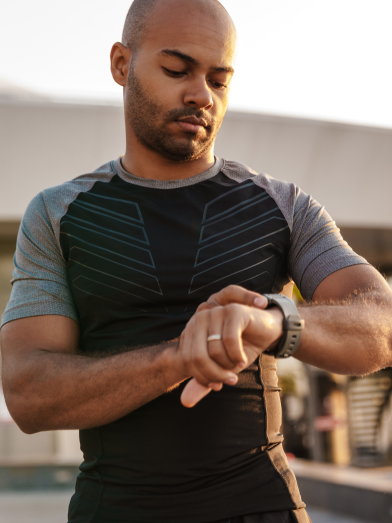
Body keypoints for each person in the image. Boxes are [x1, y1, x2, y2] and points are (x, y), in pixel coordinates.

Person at [1, 0, 392, 522]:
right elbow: (29, 394)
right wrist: (180, 358)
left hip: (263, 508)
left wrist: (274, 319)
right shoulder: (58, 213)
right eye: (177, 70)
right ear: (121, 64)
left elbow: (382, 323)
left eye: (219, 79)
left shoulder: (283, 205)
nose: (200, 95)